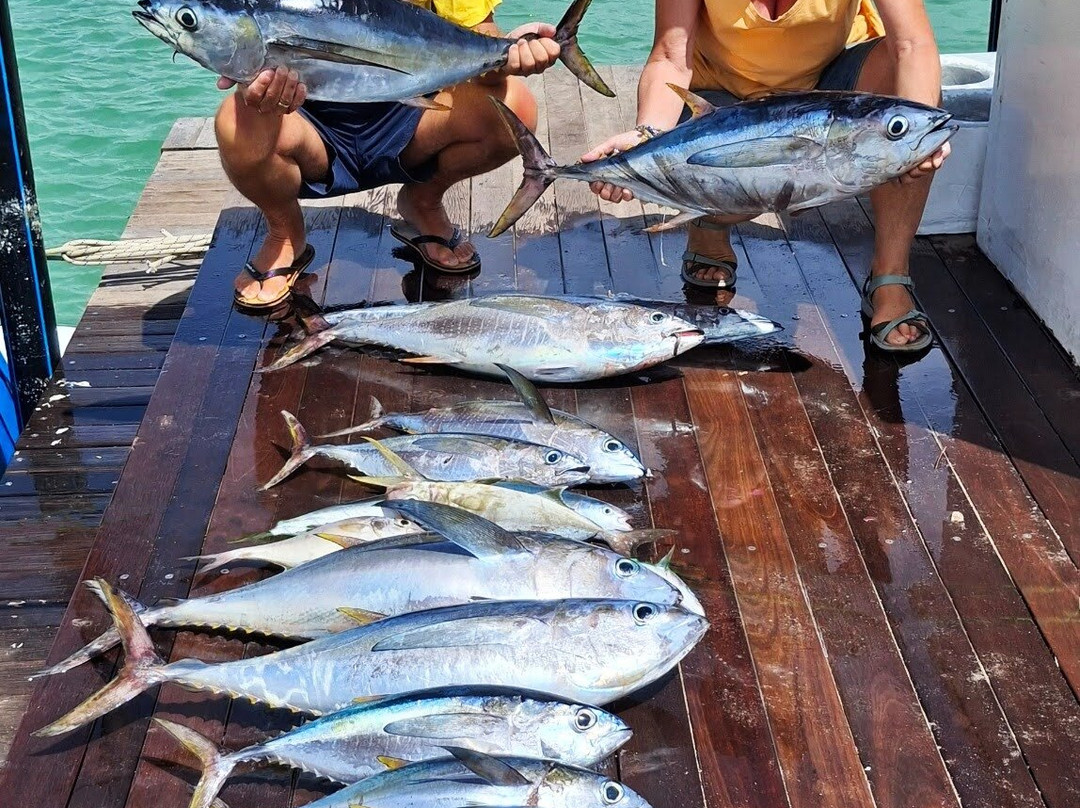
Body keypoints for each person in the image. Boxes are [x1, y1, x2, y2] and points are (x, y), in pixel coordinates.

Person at [581, 0, 950, 352]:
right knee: (721, 196)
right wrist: (646, 139)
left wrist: (915, 139)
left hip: (827, 96)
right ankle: (709, 225)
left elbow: (912, 43)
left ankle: (890, 275)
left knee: (909, 104)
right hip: (720, 107)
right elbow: (670, 58)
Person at [216, 0, 562, 311]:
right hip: (305, 122)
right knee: (237, 121)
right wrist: (255, 82)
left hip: (411, 117)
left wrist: (508, 53)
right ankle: (285, 234)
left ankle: (423, 202)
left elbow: (481, 47)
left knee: (511, 106)